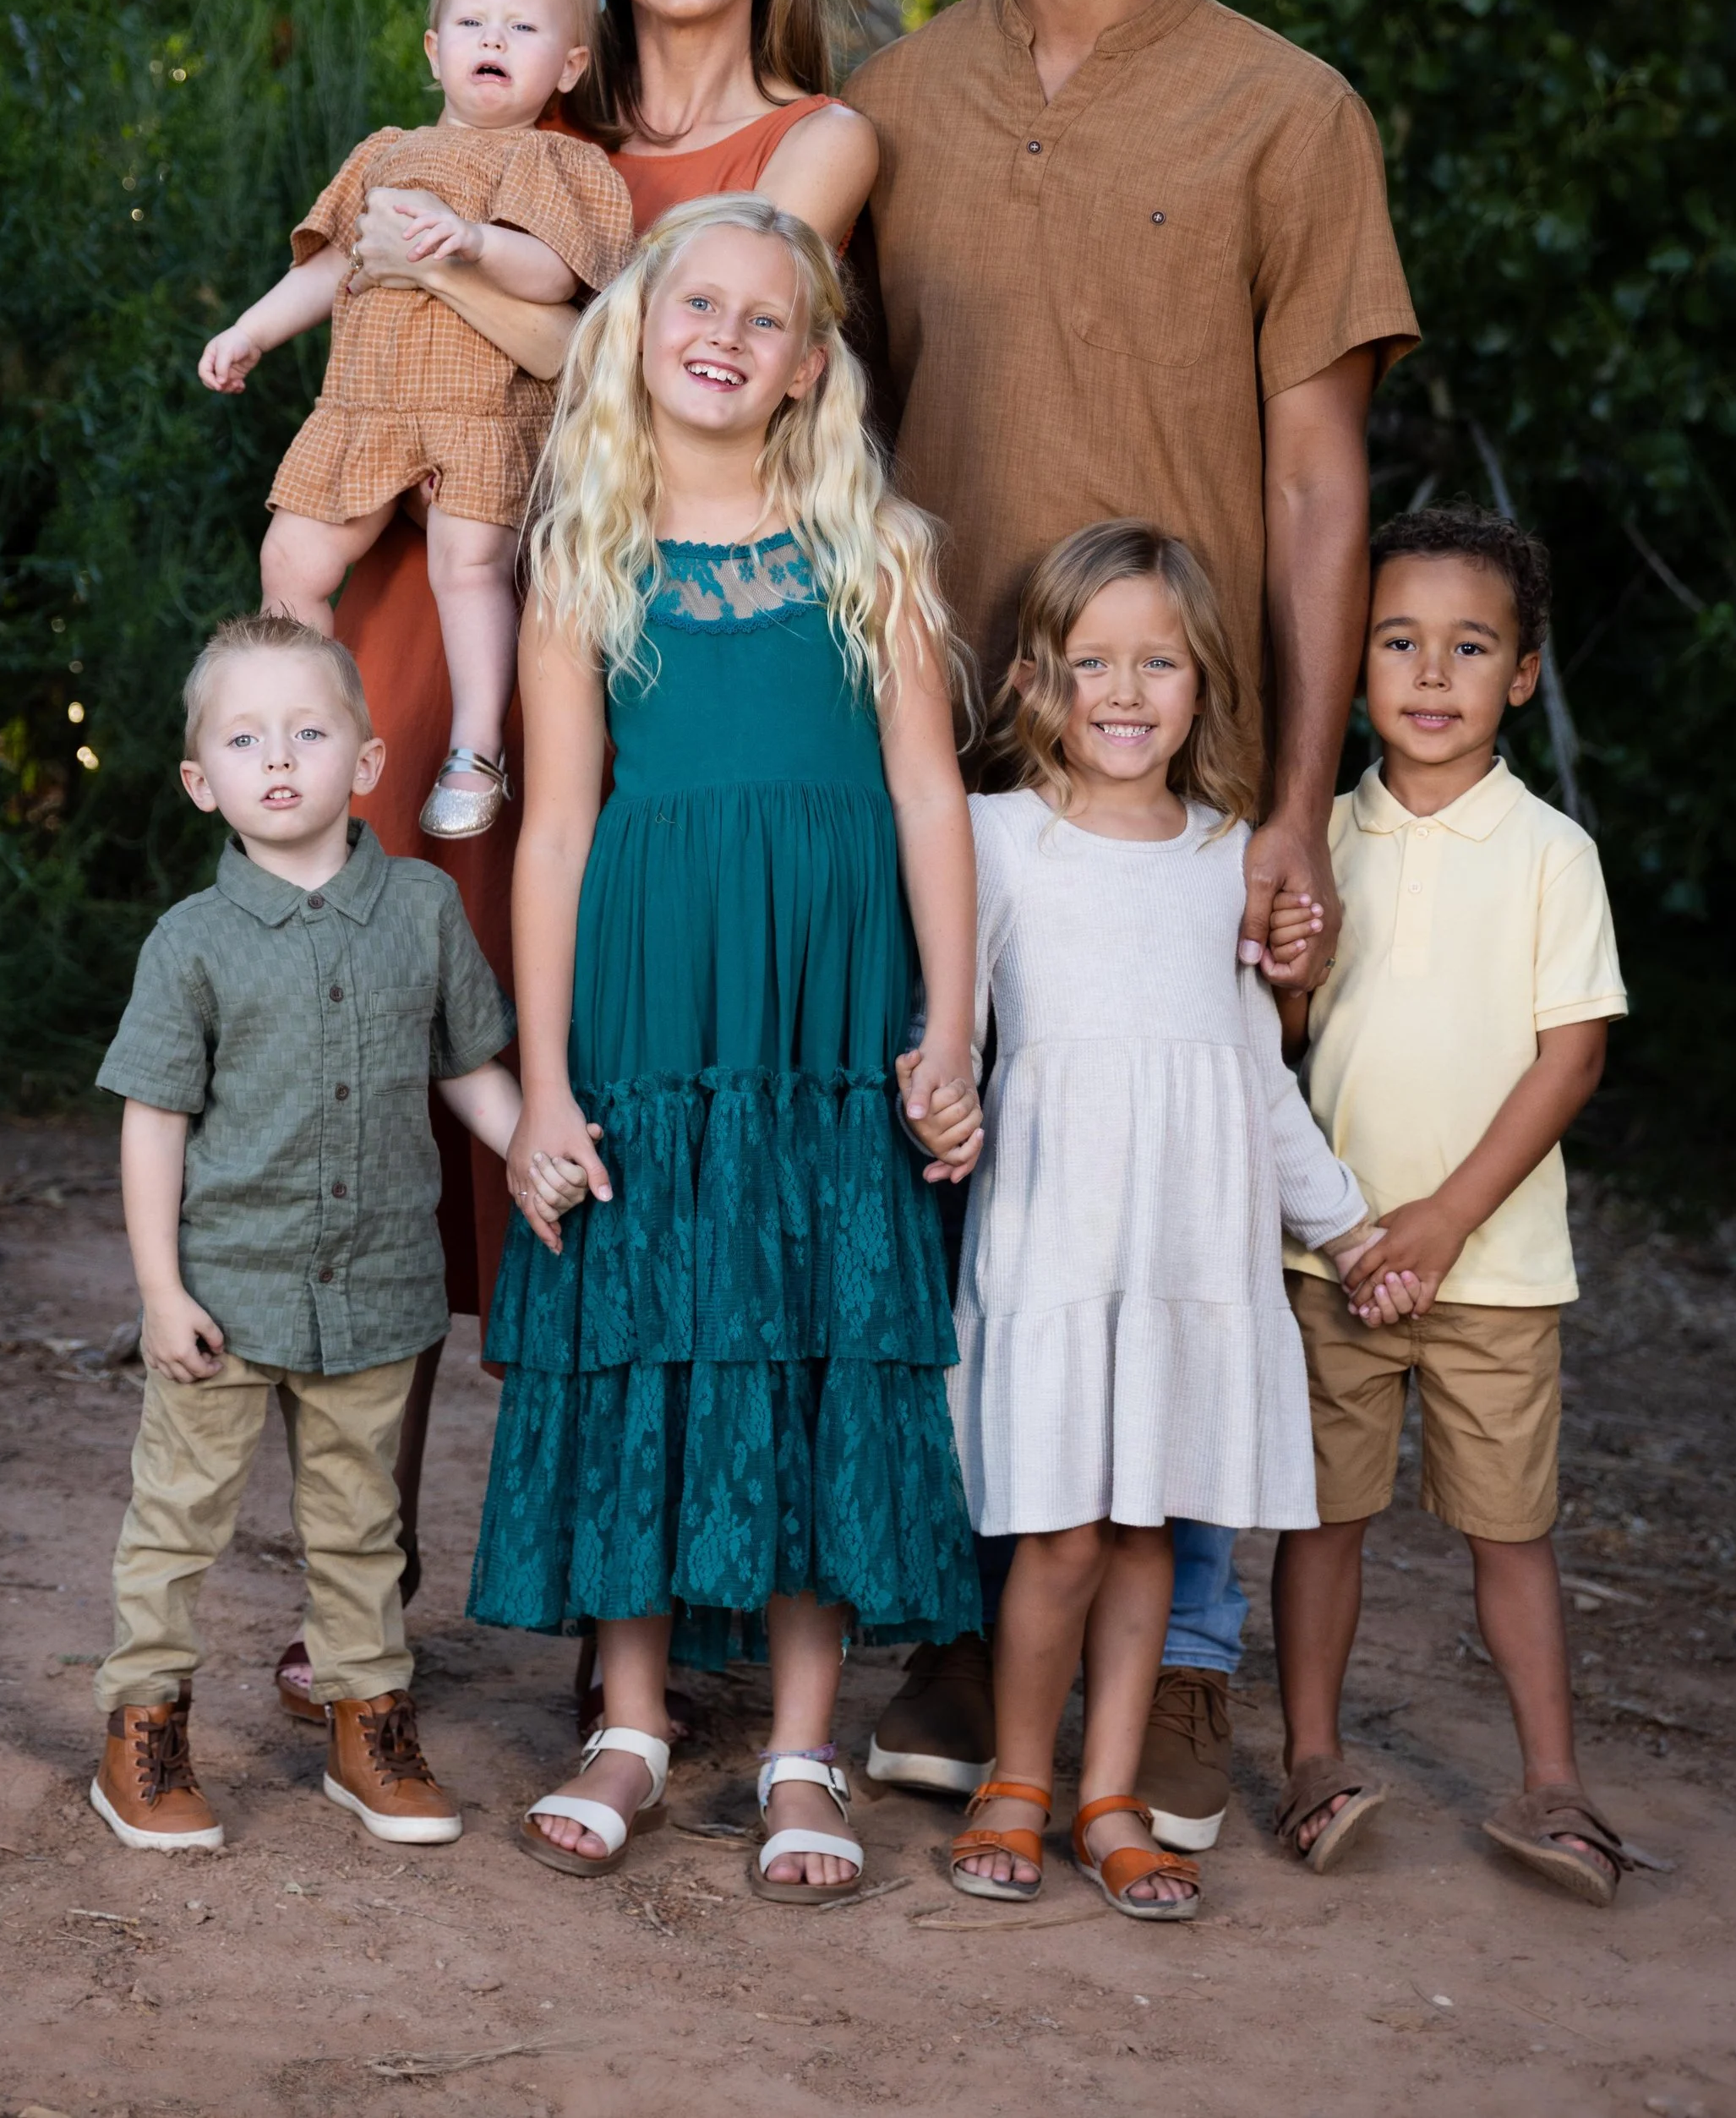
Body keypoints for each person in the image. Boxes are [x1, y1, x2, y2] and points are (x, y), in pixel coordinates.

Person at [846, 0, 1420, 1838]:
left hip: (1186, 795)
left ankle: (1172, 1666)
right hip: (950, 783)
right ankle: (965, 1630)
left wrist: (1292, 800)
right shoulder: (889, 107)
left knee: (1180, 1194)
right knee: (973, 1191)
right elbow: (829, 427)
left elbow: (1312, 479)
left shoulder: (1285, 109)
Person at [265, 0, 879, 1720]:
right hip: (448, 615)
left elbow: (659, 338)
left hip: (646, 655)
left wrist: (439, 250)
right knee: (398, 1073)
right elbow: (363, 308)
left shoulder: (818, 138)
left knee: (599, 1072)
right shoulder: (526, 114)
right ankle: (364, 1581)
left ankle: (666, 1563)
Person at [468, 197, 984, 1897]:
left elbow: (926, 793)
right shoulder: (582, 551)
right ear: (635, 320)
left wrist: (953, 1017)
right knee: (644, 1331)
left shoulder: (870, 549)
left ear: (809, 363)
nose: (725, 334)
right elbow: (550, 831)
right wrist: (543, 1079)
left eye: (766, 318)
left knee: (815, 1332)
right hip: (648, 1006)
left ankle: (797, 1743)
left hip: (828, 1017)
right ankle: (627, 1717)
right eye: (698, 301)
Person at [89, 614, 587, 1853]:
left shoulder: (419, 909)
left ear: (366, 760)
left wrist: (534, 1148)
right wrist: (160, 1290)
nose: (279, 759)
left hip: (378, 1292)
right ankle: (140, 1730)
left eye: (309, 732)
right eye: (245, 739)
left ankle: (368, 1726)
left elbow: (470, 1065)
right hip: (224, 1294)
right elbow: (153, 1125)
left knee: (362, 1523)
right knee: (178, 1520)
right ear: (203, 782)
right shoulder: (189, 946)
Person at [944, 523, 1380, 1921]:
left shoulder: (1233, 859)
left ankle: (1110, 1796)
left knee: (1149, 1534)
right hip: (1063, 1233)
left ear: (1201, 685)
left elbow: (1257, 1078)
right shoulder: (995, 835)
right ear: (1033, 681)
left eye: (1159, 662)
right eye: (1092, 663)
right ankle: (1017, 1774)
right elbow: (944, 1019)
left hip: (1188, 1244)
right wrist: (934, 1095)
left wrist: (1352, 1227)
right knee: (1060, 1534)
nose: (1125, 692)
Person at [1269, 506, 1631, 1902]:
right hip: (1333, 1253)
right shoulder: (1318, 839)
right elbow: (1285, 1032)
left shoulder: (1550, 853)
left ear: (1523, 673)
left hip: (1497, 1268)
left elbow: (1572, 1053)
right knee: (1324, 1519)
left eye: (1469, 646)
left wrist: (1440, 1223)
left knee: (1510, 1530)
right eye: (1398, 641)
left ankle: (1555, 1783)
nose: (1432, 673)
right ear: (1353, 665)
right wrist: (1289, 967)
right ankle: (1312, 1760)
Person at [199, 0, 632, 841]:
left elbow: (555, 275)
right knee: (290, 560)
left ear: (569, 65)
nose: (495, 38)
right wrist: (251, 330)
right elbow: (331, 268)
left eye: (523, 27)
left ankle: (476, 745)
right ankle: (311, 725)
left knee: (468, 564)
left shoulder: (556, 164)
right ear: (434, 50)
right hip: (365, 411)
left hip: (477, 415)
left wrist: (472, 241)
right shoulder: (383, 154)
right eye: (473, 21)